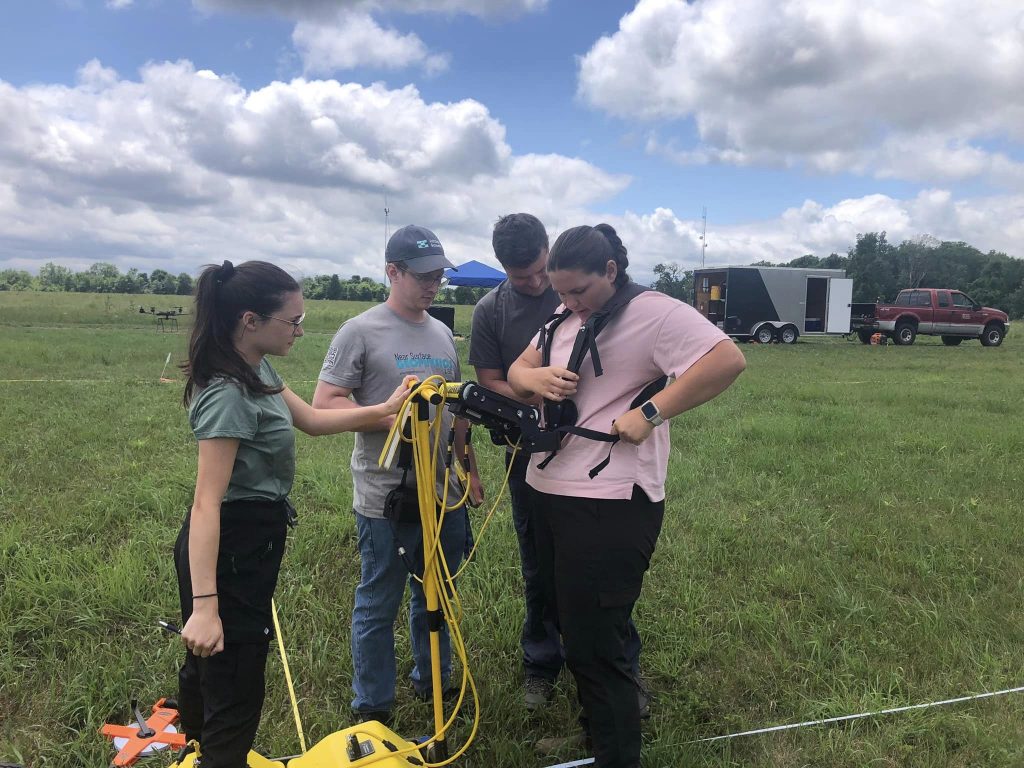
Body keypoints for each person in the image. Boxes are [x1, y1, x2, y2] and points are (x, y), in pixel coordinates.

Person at [508, 224, 746, 768]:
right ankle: (598, 736)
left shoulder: (654, 312)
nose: (569, 302)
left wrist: (651, 412)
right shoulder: (564, 317)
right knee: (571, 625)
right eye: (560, 292)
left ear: (611, 272)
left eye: (579, 291)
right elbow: (519, 370)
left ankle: (616, 753)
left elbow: (726, 359)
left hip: (611, 501)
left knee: (598, 644)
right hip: (548, 487)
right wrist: (537, 378)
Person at [176, 260, 412, 768]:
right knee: (236, 682)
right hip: (230, 546)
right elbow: (205, 503)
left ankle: (196, 749)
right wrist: (205, 605)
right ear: (250, 320)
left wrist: (381, 410)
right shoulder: (228, 393)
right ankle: (216, 755)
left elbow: (309, 419)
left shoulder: (255, 367)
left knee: (215, 668)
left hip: (251, 539)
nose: (300, 331)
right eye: (293, 321)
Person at [469, 213, 644, 712]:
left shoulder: (580, 287)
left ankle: (621, 667)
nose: (535, 284)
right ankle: (542, 664)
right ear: (502, 267)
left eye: (539, 271)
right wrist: (535, 387)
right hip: (530, 453)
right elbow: (490, 381)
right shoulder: (490, 311)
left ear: (551, 253)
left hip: (597, 457)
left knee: (603, 570)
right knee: (539, 563)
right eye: (519, 276)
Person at [313, 224, 483, 726]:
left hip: (442, 492)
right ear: (393, 272)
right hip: (385, 493)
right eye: (424, 276)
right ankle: (373, 707)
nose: (434, 285)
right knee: (378, 599)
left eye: (440, 277)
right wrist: (398, 419)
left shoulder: (441, 333)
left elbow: (454, 411)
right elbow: (326, 404)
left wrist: (468, 470)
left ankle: (434, 681)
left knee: (437, 592)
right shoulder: (359, 331)